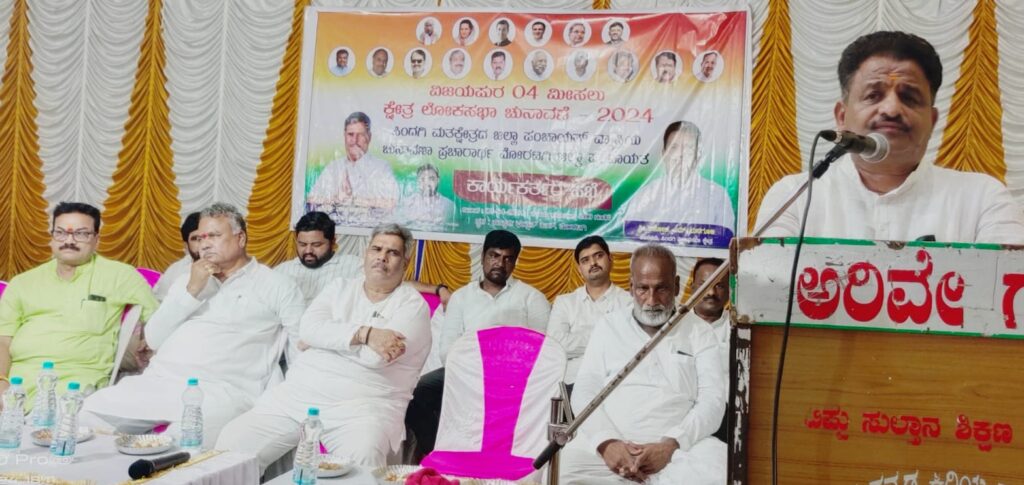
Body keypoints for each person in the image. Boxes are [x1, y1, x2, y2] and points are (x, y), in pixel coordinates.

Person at [755, 31, 1024, 244]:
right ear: (842, 116)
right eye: (873, 95)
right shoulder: (794, 197)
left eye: (909, 97)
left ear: (932, 120)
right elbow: (764, 287)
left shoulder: (983, 199)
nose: (891, 109)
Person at [81, 203, 305, 444]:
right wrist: (192, 290)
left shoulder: (277, 285)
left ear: (240, 238)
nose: (204, 244)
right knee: (85, 417)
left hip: (223, 391)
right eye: (201, 238)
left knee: (180, 443)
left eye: (214, 236)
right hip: (159, 382)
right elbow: (153, 338)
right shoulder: (187, 280)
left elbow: (300, 349)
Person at [217, 224, 430, 472]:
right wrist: (366, 334)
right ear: (365, 253)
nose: (382, 257)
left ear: (405, 261)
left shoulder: (412, 305)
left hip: (363, 409)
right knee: (232, 443)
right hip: (296, 398)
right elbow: (308, 329)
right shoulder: (339, 287)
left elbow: (375, 358)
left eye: (392, 252)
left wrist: (326, 339)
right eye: (377, 249)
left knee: (364, 457)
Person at [560, 244, 726, 484]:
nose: (652, 300)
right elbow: (585, 390)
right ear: (631, 287)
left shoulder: (700, 332)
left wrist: (671, 445)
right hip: (613, 446)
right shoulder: (609, 326)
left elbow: (713, 401)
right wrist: (607, 443)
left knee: (720, 471)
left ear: (676, 285)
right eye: (643, 289)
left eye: (661, 289)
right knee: (562, 469)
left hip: (679, 449)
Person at [405, 230, 550, 460]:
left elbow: (540, 349)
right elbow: (447, 348)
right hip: (466, 371)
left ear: (514, 262)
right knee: (419, 393)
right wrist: (470, 371)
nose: (499, 263)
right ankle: (440, 452)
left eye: (507, 258)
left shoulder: (532, 298)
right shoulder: (462, 297)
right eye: (494, 255)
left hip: (512, 377)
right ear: (482, 256)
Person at [0, 202, 158, 404]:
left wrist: (149, 340)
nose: (69, 240)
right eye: (61, 233)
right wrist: (1, 381)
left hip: (76, 388)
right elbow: (3, 340)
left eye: (81, 234)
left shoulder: (120, 276)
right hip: (16, 383)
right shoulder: (22, 282)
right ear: (52, 237)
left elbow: (158, 318)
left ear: (96, 240)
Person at [624, 121, 736, 247]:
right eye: (674, 148)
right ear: (663, 154)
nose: (681, 155)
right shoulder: (645, 195)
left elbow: (724, 242)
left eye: (688, 148)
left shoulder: (717, 196)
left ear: (698, 155)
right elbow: (631, 239)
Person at [546, 236, 631, 390]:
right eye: (585, 260)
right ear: (579, 269)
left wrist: (574, 342)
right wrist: (605, 338)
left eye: (598, 256)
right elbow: (555, 345)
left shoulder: (628, 302)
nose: (593, 263)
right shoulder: (565, 302)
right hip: (571, 382)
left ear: (610, 260)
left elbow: (626, 346)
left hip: (614, 383)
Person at [306, 111, 400, 226]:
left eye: (360, 135)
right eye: (350, 134)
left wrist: (353, 200)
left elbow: (392, 203)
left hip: (369, 231)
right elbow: (311, 200)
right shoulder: (333, 167)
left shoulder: (381, 167)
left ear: (369, 137)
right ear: (344, 136)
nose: (355, 140)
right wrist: (336, 199)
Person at [682, 258, 730, 442]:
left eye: (719, 286)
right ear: (692, 288)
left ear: (729, 290)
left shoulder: (739, 328)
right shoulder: (674, 325)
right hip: (681, 411)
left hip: (724, 418)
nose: (711, 292)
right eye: (704, 285)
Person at [154, 212, 201, 301]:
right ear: (186, 245)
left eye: (210, 236)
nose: (203, 244)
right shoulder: (176, 270)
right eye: (196, 239)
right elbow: (162, 303)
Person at [395, 163, 455, 231]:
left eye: (431, 179)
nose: (427, 183)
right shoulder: (407, 202)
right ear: (418, 181)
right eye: (423, 179)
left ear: (438, 180)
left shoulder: (449, 205)